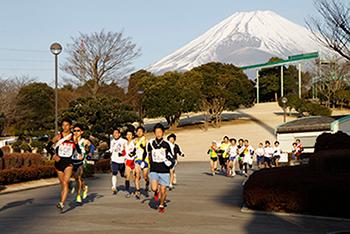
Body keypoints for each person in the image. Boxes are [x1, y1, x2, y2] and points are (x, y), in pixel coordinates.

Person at [47, 117, 82, 211]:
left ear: (70, 126)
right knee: (63, 184)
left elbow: (78, 150)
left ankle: (61, 203)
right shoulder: (58, 137)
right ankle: (69, 187)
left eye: (67, 125)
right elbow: (48, 146)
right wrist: (53, 155)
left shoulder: (73, 137)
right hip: (58, 163)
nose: (65, 127)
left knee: (65, 182)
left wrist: (78, 149)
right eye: (63, 125)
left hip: (68, 163)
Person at [147, 123, 174, 213]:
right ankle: (155, 192)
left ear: (163, 133)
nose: (158, 133)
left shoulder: (167, 144)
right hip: (154, 169)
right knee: (154, 188)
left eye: (160, 132)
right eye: (156, 132)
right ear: (154, 133)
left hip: (164, 170)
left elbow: (172, 156)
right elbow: (147, 154)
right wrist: (145, 163)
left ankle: (161, 204)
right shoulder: (151, 143)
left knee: (163, 190)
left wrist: (170, 163)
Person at [71, 123, 89, 203]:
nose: (76, 132)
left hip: (82, 161)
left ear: (82, 132)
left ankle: (78, 195)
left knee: (78, 177)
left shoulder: (84, 141)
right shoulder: (71, 141)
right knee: (77, 178)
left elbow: (89, 149)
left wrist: (87, 149)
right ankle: (84, 188)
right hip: (73, 161)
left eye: (78, 131)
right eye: (74, 131)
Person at [109, 128, 127, 195]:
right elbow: (111, 149)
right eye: (114, 133)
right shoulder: (112, 141)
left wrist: (123, 154)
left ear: (119, 134)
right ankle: (114, 187)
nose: (115, 134)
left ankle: (127, 180)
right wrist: (110, 153)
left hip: (122, 160)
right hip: (114, 160)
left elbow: (126, 150)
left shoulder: (124, 141)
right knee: (114, 172)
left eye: (116, 133)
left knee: (123, 175)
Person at [134, 126, 149, 199]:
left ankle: (147, 182)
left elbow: (147, 151)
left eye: (140, 131)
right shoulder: (135, 141)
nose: (139, 132)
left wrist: (143, 161)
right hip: (137, 160)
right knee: (137, 175)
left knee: (145, 176)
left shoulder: (146, 140)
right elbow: (133, 150)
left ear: (143, 132)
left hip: (145, 160)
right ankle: (138, 191)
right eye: (138, 131)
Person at [124, 128, 137, 198]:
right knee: (127, 176)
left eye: (130, 135)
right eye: (127, 135)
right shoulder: (125, 143)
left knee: (135, 177)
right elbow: (124, 152)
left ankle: (136, 190)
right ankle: (128, 191)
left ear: (132, 136)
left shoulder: (134, 142)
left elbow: (136, 150)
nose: (129, 136)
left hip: (134, 161)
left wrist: (133, 153)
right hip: (128, 161)